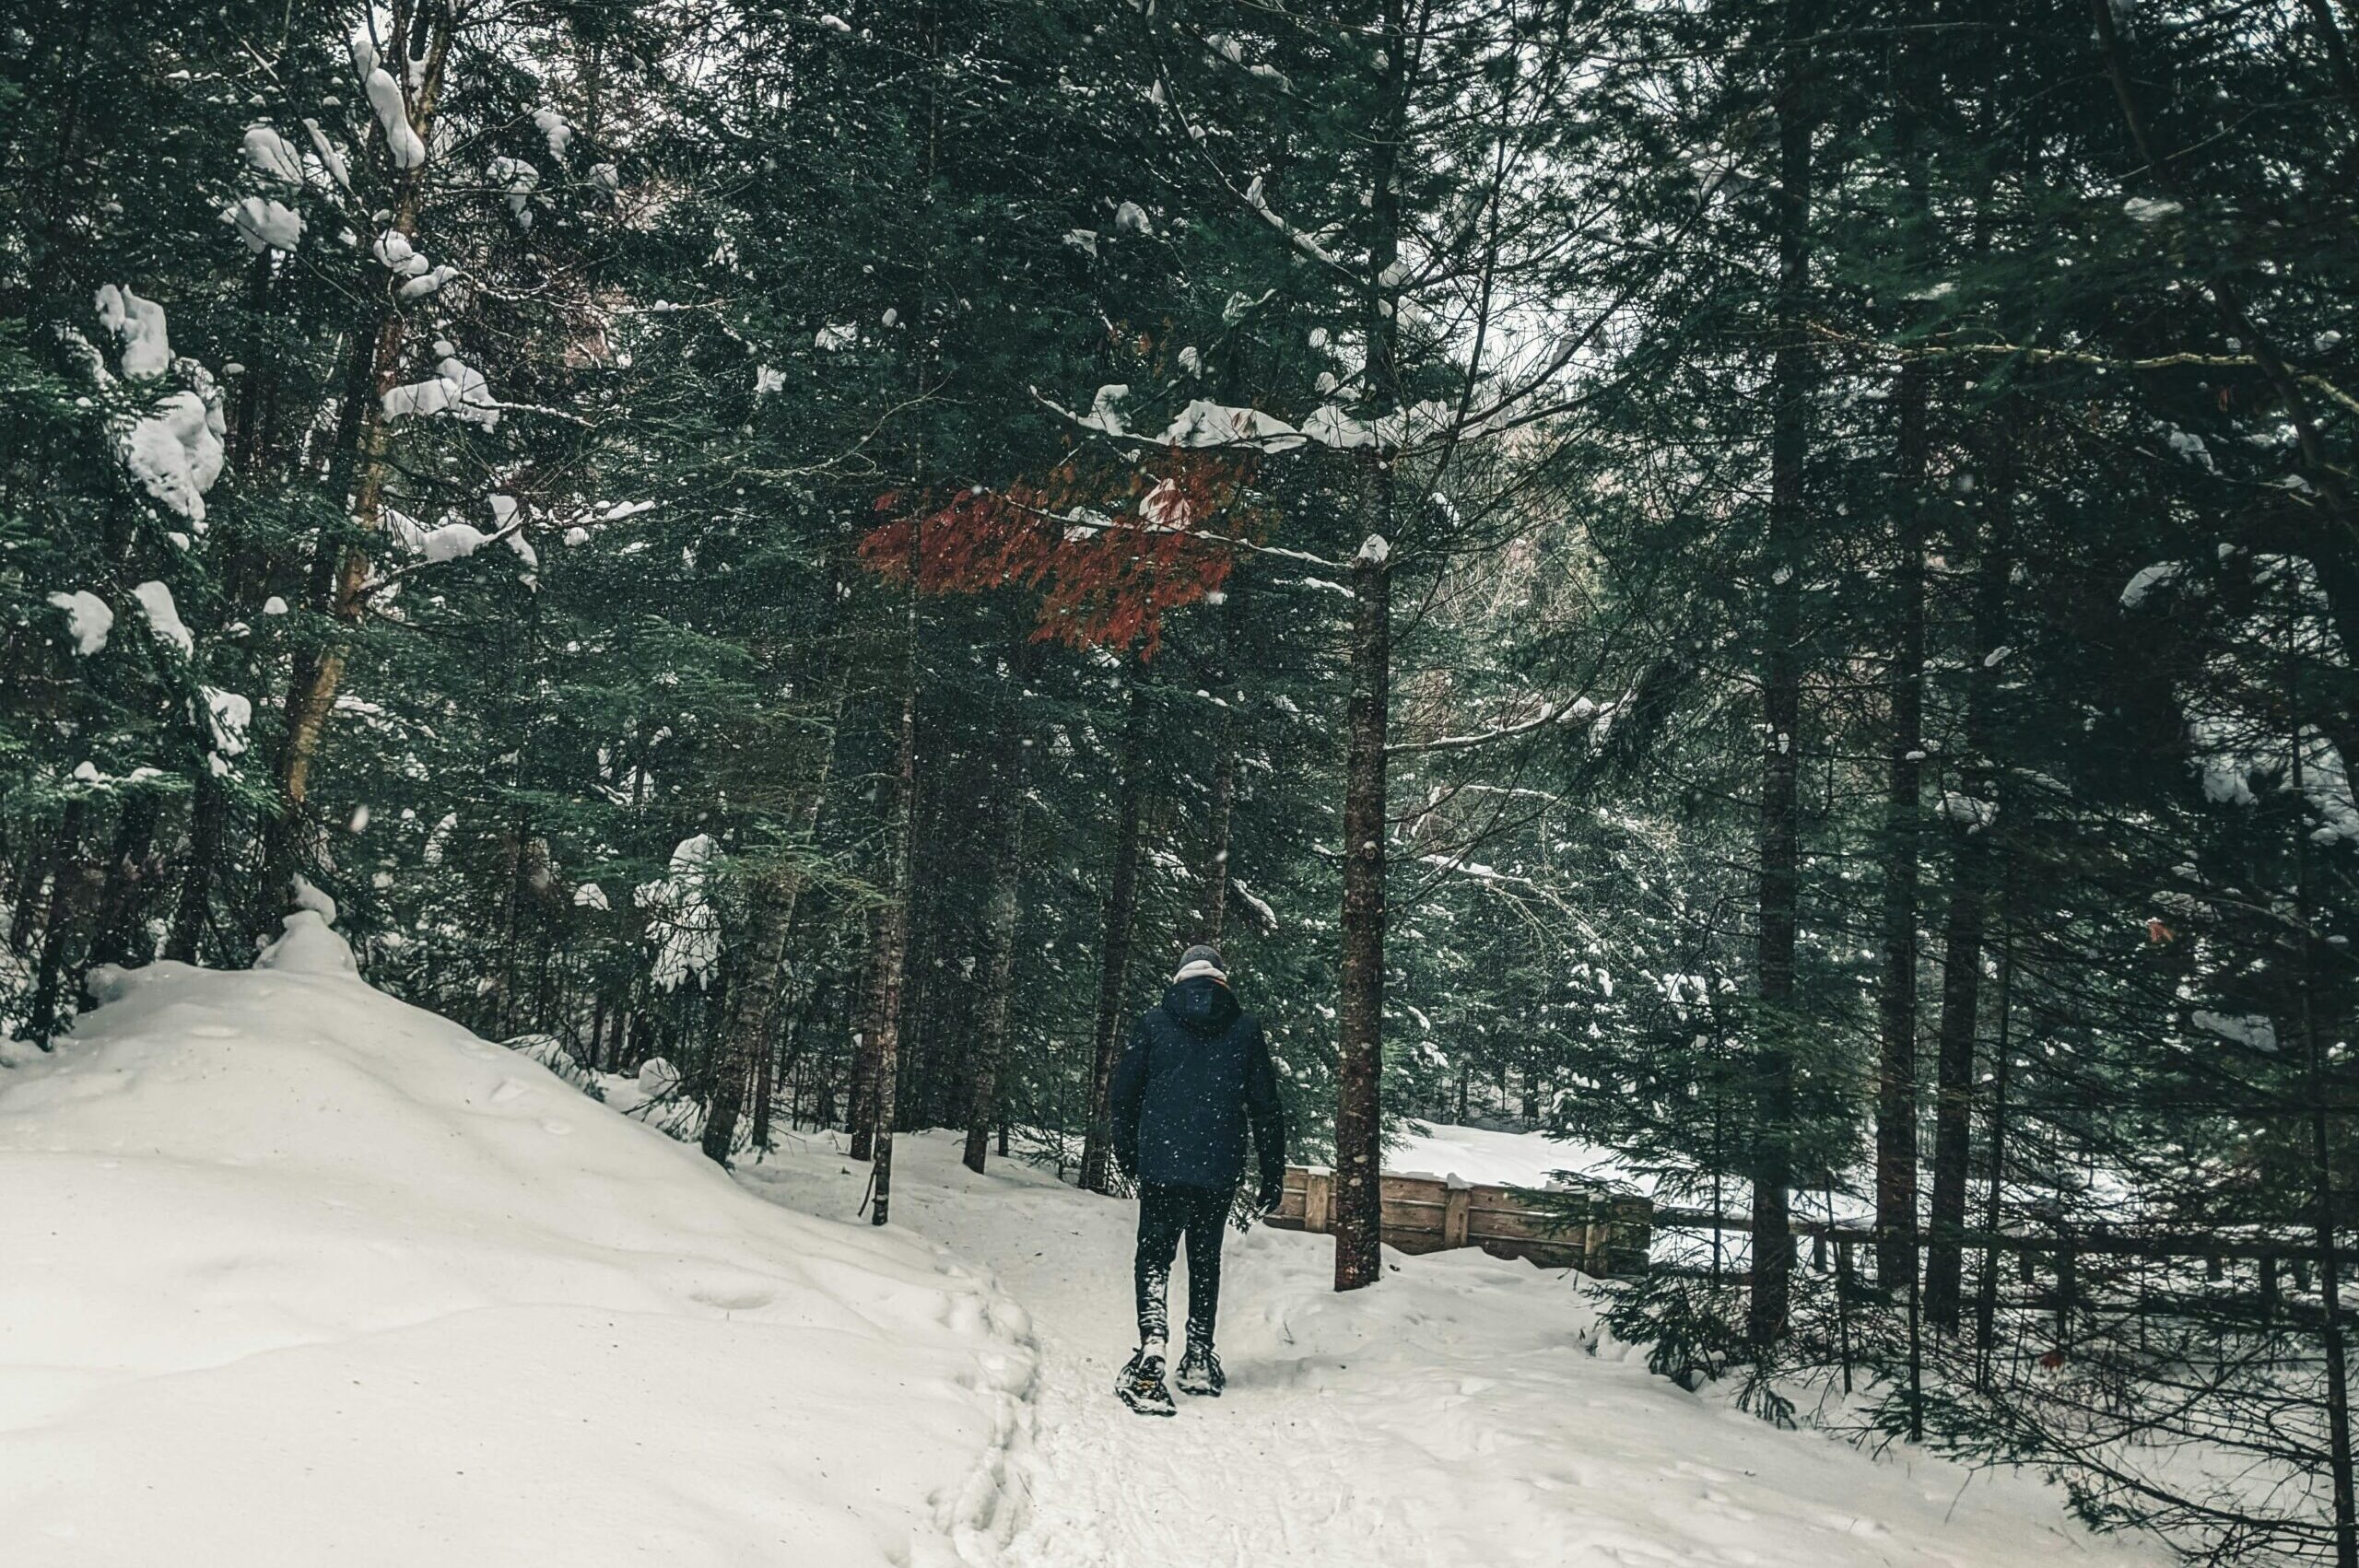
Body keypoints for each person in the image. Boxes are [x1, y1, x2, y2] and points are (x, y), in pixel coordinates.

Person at [1109, 942, 1286, 1416]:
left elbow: (1123, 1096)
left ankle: (1153, 1346)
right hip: (1217, 1167)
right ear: (1221, 979)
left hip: (1162, 1165)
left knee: (1154, 1255)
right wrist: (1273, 1171)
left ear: (1181, 976)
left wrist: (1128, 1154)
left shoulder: (1154, 1023)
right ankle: (1199, 1357)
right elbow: (1266, 1108)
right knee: (1205, 1258)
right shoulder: (1245, 1029)